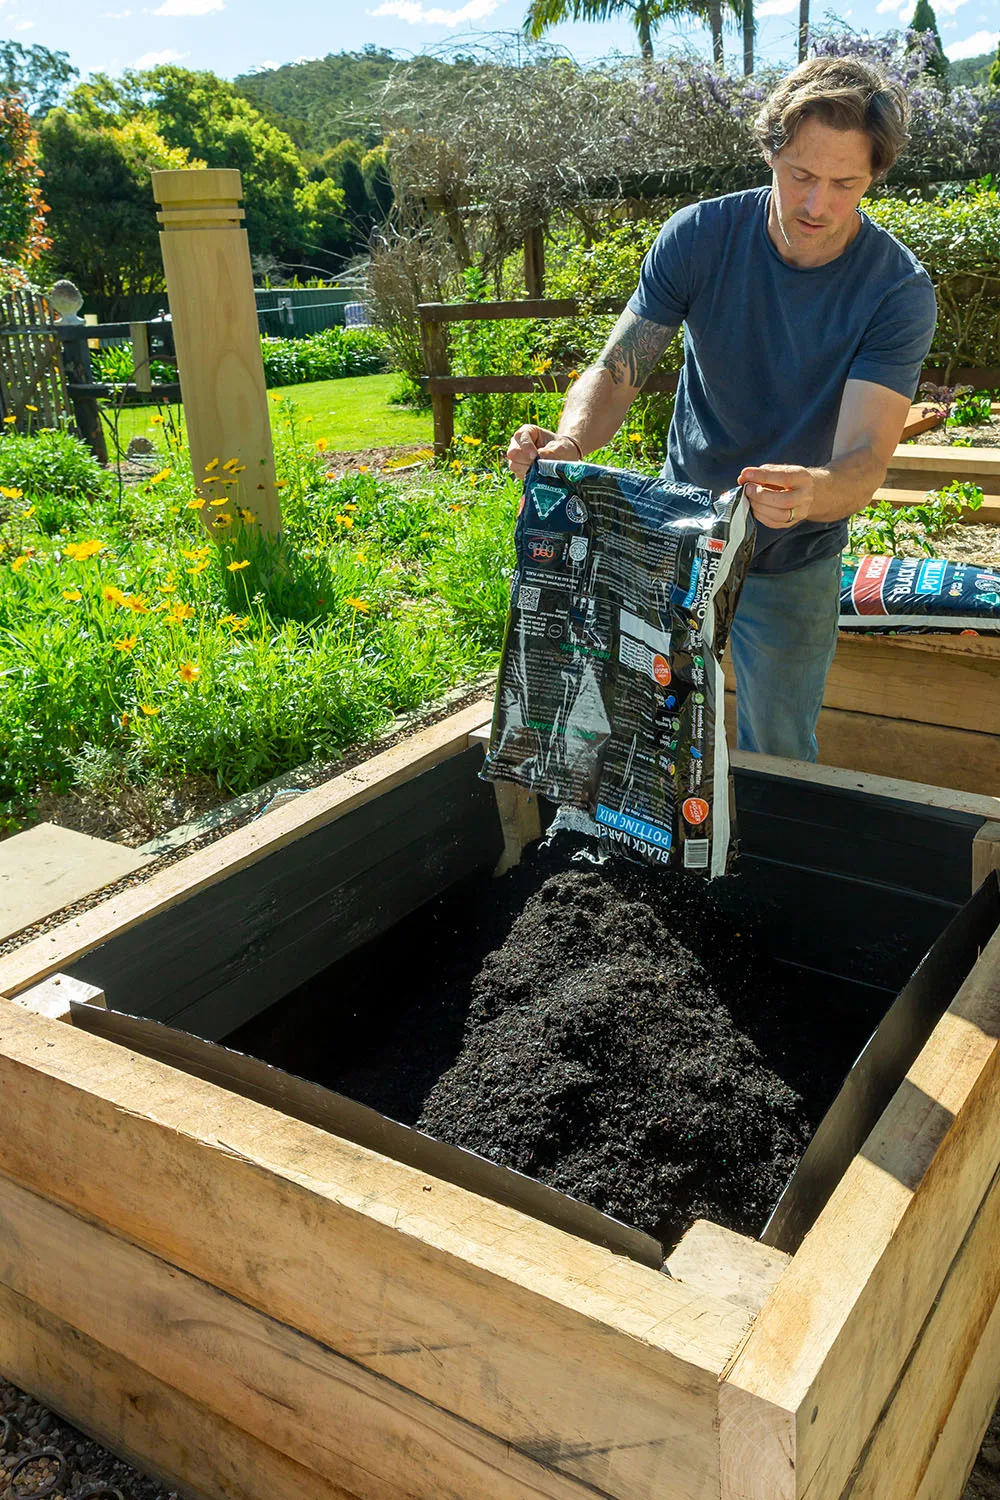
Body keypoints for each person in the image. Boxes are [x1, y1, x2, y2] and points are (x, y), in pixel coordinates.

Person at [505, 56, 937, 762]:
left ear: (874, 178)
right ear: (769, 151)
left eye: (845, 184)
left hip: (795, 556)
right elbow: (619, 372)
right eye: (800, 174)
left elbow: (864, 460)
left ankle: (761, 867)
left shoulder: (896, 290)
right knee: (658, 721)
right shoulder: (699, 237)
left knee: (777, 746)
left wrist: (812, 494)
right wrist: (571, 443)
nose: (816, 205)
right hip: (681, 540)